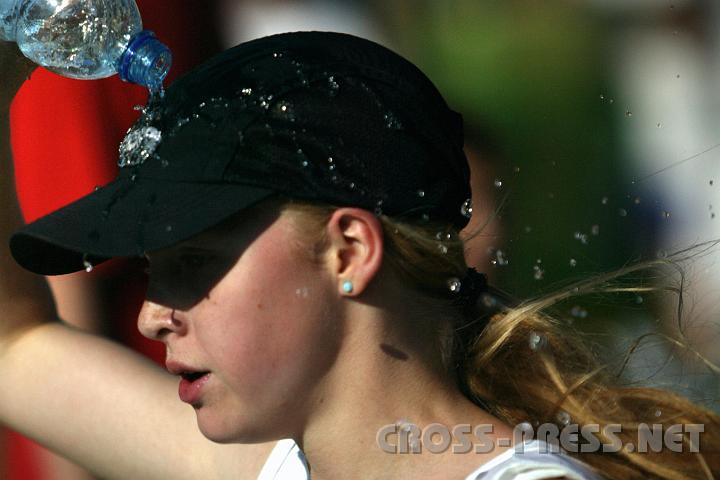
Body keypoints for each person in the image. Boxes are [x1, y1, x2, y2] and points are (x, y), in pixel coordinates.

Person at [0, 31, 717, 480]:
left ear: (348, 251)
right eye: (154, 270)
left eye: (192, 262)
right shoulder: (273, 467)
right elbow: (14, 342)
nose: (155, 315)